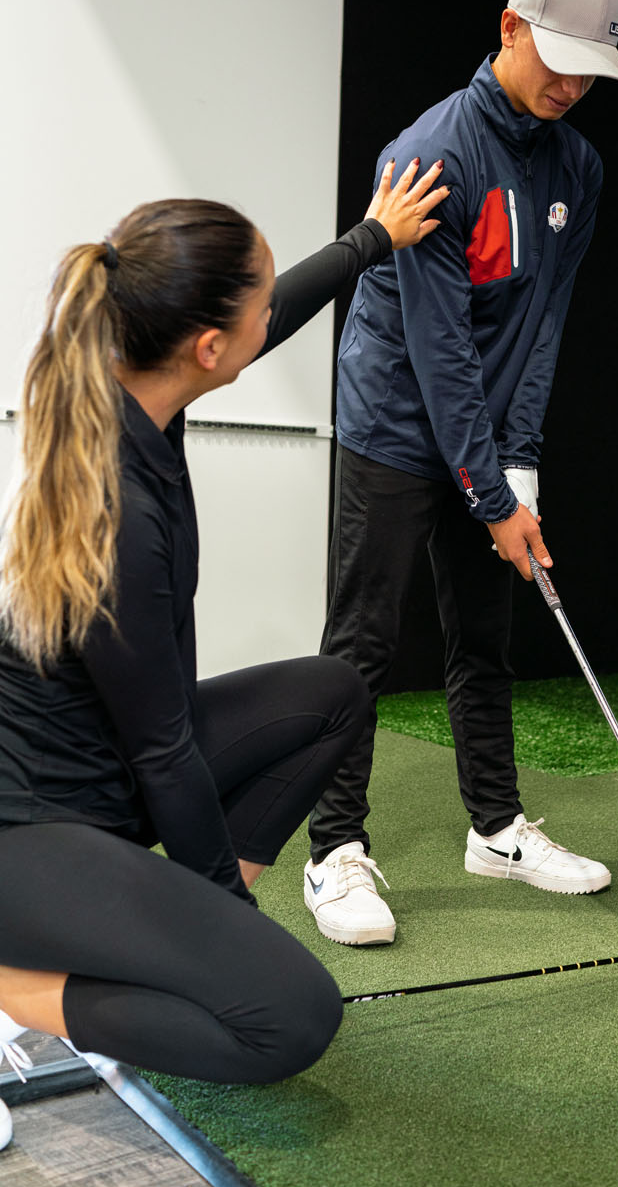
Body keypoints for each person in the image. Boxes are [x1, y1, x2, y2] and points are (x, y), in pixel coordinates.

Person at [0, 160, 448, 1136]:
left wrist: (370, 238)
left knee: (334, 691)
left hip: (99, 781)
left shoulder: (134, 387)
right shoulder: (121, 513)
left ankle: (176, 930)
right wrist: (223, 919)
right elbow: (165, 754)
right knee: (289, 1016)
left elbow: (267, 313)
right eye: (247, 308)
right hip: (26, 836)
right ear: (207, 345)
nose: (264, 320)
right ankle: (12, 988)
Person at [305, 0, 618, 946]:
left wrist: (515, 462)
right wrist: (492, 497)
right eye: (557, 57)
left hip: (483, 431)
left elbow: (540, 330)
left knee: (483, 636)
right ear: (508, 28)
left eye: (589, 67)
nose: (569, 83)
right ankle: (333, 848)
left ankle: (494, 826)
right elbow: (437, 345)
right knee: (363, 640)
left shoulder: (579, 164)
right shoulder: (429, 154)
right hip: (396, 423)